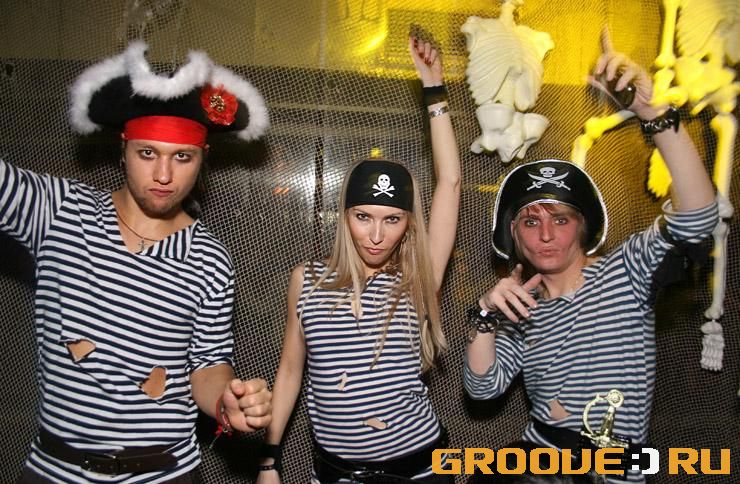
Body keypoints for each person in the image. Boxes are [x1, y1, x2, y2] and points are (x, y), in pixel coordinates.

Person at [3, 42, 272, 482]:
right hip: (55, 471)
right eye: (148, 153)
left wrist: (228, 400)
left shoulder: (209, 258)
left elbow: (207, 364)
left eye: (182, 157)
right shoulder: (57, 211)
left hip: (164, 474)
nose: (164, 175)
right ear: (123, 149)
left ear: (203, 158)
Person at [463, 31, 718, 483]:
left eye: (561, 220)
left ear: (583, 227)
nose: (546, 234)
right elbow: (483, 389)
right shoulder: (523, 307)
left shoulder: (626, 272)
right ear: (513, 236)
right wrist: (485, 317)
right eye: (530, 222)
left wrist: (654, 114)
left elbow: (697, 218)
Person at [257, 36, 461, 484]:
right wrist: (269, 460)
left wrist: (434, 90)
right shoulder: (307, 279)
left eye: (392, 220)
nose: (376, 235)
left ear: (409, 223)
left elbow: (449, 182)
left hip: (421, 471)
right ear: (345, 215)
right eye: (363, 217)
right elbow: (290, 370)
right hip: (337, 474)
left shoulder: (417, 277)